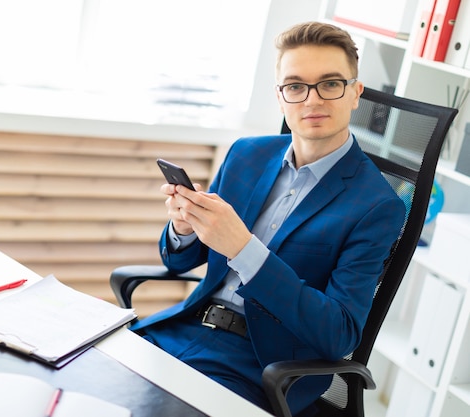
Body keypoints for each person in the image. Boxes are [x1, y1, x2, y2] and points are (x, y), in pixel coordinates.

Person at [129, 21, 406, 416]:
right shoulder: (246, 154)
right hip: (181, 328)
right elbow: (179, 261)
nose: (312, 100)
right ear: (281, 98)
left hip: (262, 365)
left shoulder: (378, 206)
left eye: (330, 84)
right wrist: (184, 227)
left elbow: (339, 334)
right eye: (295, 86)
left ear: (355, 93)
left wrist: (244, 250)